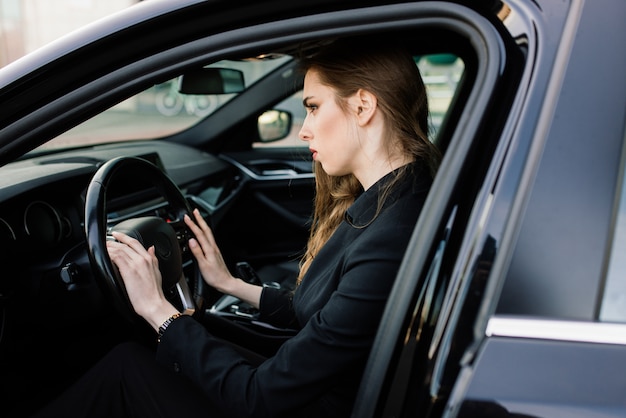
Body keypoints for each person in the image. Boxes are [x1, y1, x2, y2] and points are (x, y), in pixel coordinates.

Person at [33, 37, 440, 418]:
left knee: (125, 366)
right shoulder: (398, 201)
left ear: (363, 106)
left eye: (313, 107)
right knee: (177, 336)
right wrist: (229, 284)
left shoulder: (390, 236)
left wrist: (157, 309)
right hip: (321, 393)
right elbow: (319, 318)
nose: (303, 128)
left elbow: (257, 395)